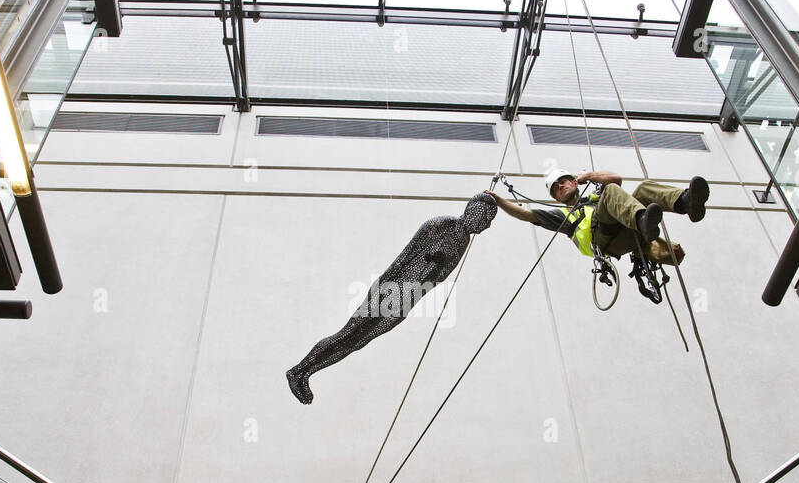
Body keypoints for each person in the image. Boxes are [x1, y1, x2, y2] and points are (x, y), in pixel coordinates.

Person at [286, 192, 497, 403]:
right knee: (349, 333)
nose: (487, 225)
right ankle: (298, 371)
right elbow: (406, 257)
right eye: (486, 217)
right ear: (473, 210)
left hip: (407, 300)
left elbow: (440, 276)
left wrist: (430, 274)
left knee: (357, 342)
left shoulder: (463, 241)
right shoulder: (442, 224)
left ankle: (306, 373)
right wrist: (395, 284)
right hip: (392, 289)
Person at [489, 169, 710, 265]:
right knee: (611, 191)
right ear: (556, 198)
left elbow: (616, 178)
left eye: (564, 181)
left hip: (627, 230)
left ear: (574, 182)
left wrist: (588, 177)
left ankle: (685, 202)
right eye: (556, 188)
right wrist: (498, 200)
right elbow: (526, 214)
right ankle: (643, 221)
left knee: (643, 188)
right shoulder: (563, 215)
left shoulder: (594, 196)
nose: (561, 186)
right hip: (605, 241)